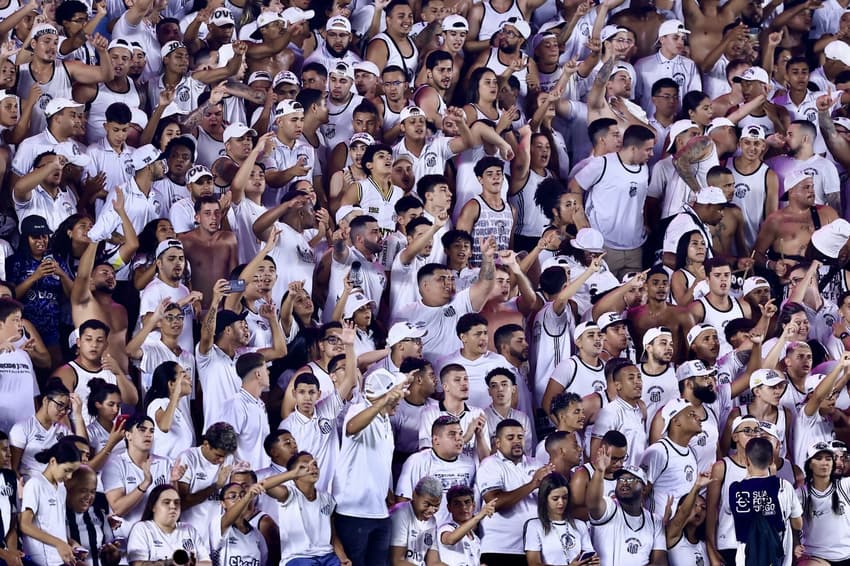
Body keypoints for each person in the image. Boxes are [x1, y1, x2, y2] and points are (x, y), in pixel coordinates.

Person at [333, 370, 408, 565]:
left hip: (379, 512)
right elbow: (351, 427)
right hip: (353, 513)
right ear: (382, 396)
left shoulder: (385, 421)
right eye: (394, 395)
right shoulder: (358, 409)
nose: (398, 400)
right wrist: (382, 402)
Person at [477, 419, 555, 565]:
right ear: (498, 443)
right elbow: (495, 503)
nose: (517, 441)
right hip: (500, 550)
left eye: (520, 437)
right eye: (510, 438)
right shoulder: (490, 465)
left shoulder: (536, 464)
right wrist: (533, 484)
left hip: (533, 549)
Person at [586, 446, 667, 566]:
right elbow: (593, 503)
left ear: (644, 488)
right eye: (620, 479)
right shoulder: (610, 507)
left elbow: (660, 562)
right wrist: (599, 471)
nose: (624, 483)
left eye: (631, 480)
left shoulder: (655, 521)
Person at [729, 437, 803, 566]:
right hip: (777, 557)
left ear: (746, 460)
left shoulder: (735, 489)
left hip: (746, 558)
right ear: (771, 461)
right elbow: (798, 525)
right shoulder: (783, 486)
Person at [19, 442, 82, 566]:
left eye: (72, 472)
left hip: (59, 559)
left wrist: (69, 543)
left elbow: (53, 526)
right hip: (40, 560)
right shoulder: (35, 484)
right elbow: (24, 525)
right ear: (53, 461)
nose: (69, 476)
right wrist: (59, 543)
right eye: (67, 470)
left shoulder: (62, 488)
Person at [126, 484, 212, 566]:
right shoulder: (142, 529)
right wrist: (169, 563)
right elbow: (137, 564)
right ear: (153, 507)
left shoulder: (189, 530)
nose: (173, 506)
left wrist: (189, 564)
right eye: (166, 502)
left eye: (177, 502)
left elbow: (207, 563)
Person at [523, 472, 597, 566]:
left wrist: (591, 562)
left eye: (565, 498)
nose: (561, 503)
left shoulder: (580, 525)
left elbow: (588, 554)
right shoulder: (535, 526)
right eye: (555, 499)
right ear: (545, 499)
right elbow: (534, 563)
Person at [390, 476, 443, 566]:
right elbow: (397, 561)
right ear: (414, 495)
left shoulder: (432, 521)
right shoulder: (401, 513)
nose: (431, 510)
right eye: (427, 504)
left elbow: (433, 562)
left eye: (436, 506)